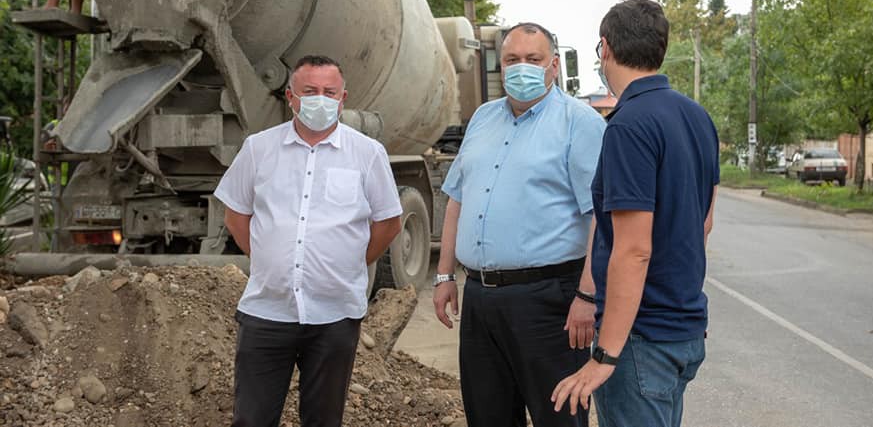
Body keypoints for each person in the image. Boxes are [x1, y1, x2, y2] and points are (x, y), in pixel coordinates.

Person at [551, 0, 719, 427]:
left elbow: (632, 250)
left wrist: (605, 355)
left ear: (603, 48)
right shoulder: (697, 117)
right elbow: (704, 222)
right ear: (661, 48)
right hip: (683, 330)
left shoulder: (628, 125)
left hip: (642, 340)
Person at [214, 55, 402, 427]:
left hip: (334, 316)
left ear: (343, 97)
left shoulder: (367, 154)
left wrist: (349, 263)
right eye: (310, 91)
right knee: (251, 419)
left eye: (329, 92)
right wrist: (269, 257)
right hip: (268, 313)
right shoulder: (258, 149)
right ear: (290, 97)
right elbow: (236, 216)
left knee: (323, 420)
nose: (320, 100)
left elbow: (389, 222)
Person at [433, 22, 606, 427]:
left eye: (533, 59)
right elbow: (458, 197)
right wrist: (444, 276)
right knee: (487, 415)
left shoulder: (579, 123)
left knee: (558, 417)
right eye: (512, 60)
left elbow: (603, 217)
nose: (521, 68)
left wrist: (587, 296)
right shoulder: (482, 118)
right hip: (480, 300)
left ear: (554, 66)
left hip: (550, 302)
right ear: (499, 65)